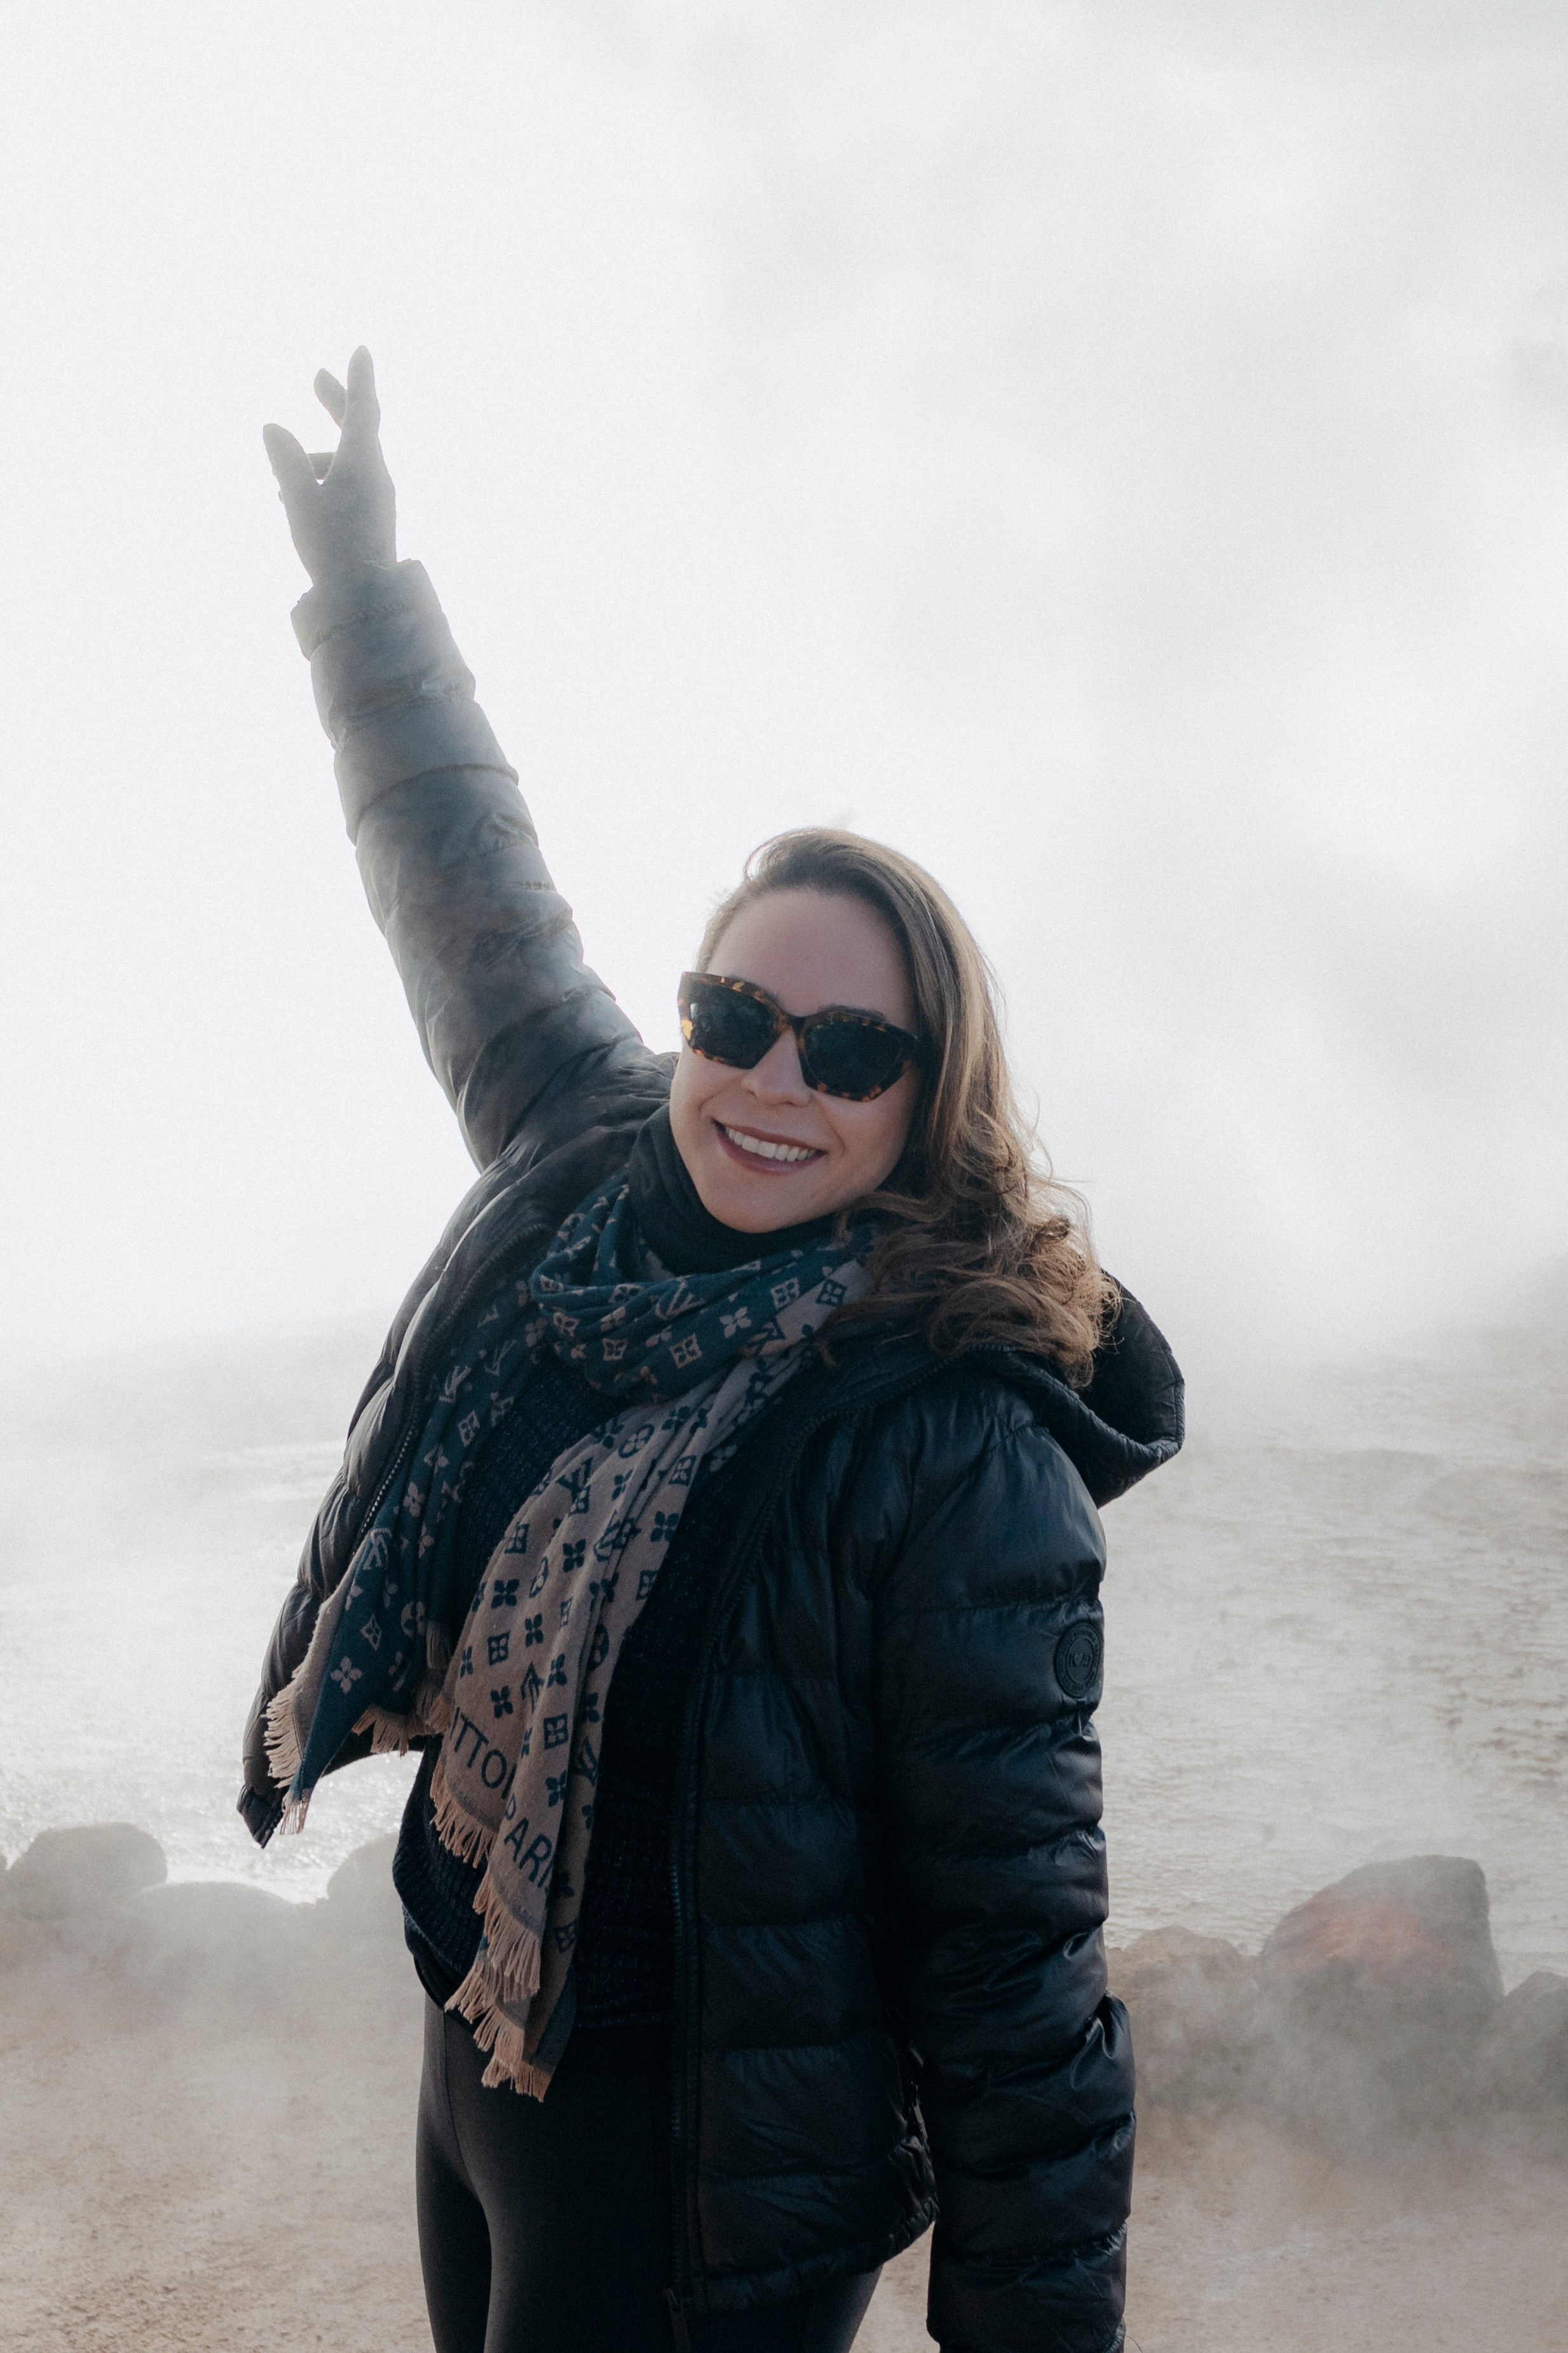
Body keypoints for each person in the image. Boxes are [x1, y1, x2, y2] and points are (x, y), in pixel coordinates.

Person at [241, 349, 1183, 2353]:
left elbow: (1015, 1973)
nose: (771, 1081)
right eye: (733, 1017)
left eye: (848, 1054)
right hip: (482, 2037)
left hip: (704, 2181)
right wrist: (365, 595)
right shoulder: (586, 1168)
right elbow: (463, 891)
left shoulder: (950, 1446)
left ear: (927, 1100)